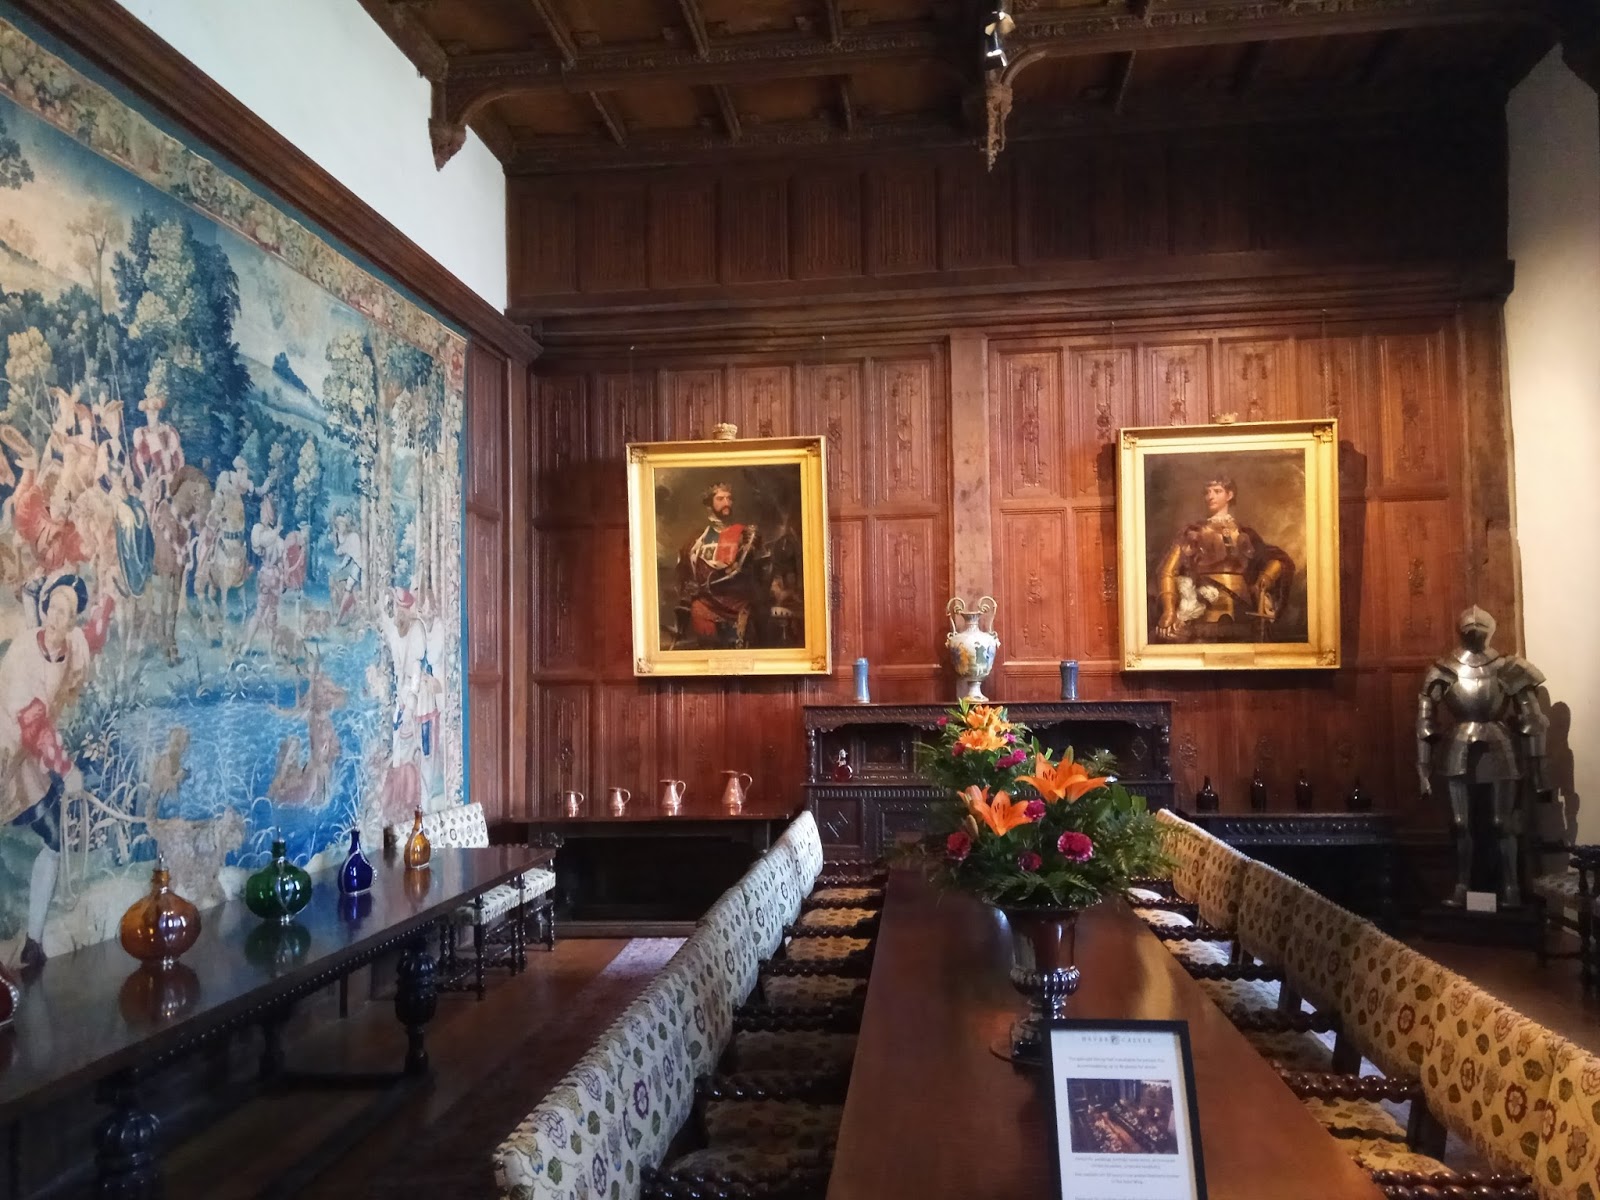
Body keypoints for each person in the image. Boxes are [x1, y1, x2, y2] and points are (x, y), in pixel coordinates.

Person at [0, 575, 115, 969]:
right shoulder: (24, 653)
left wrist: (108, 600)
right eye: (52, 608)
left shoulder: (70, 645)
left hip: (26, 755)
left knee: (53, 837)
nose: (54, 618)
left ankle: (33, 942)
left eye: (64, 613)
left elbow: (93, 638)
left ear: (71, 620)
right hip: (6, 747)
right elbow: (32, 722)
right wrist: (67, 771)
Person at [1153, 473, 1294, 642]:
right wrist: (1169, 610)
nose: (1210, 496)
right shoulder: (1193, 532)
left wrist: (1266, 577)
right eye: (1207, 492)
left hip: (1244, 614)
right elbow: (1167, 572)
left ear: (1229, 495)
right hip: (1204, 613)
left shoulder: (1245, 533)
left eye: (1217, 491)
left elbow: (1277, 559)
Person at [675, 481, 764, 649]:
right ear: (710, 504)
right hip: (705, 605)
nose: (727, 503)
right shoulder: (698, 539)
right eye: (720, 499)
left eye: (729, 498)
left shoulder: (744, 533)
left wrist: (750, 550)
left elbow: (754, 569)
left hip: (738, 606)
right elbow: (685, 572)